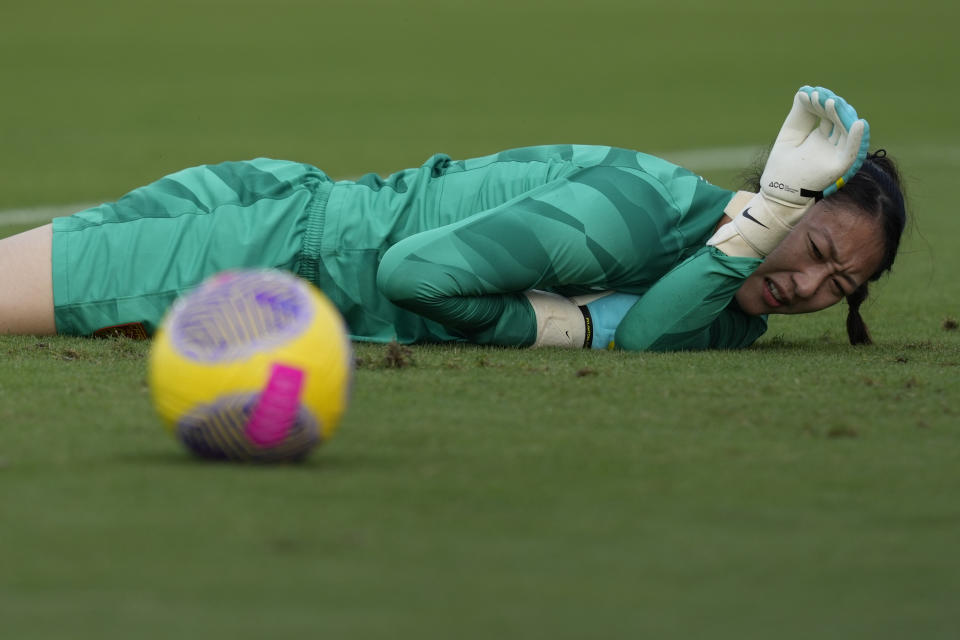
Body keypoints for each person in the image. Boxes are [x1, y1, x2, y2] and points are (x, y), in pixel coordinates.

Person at [0, 86, 906, 351]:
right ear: (779, 202)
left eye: (843, 286)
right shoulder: (633, 213)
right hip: (271, 249)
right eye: (818, 249)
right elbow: (412, 277)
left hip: (300, 216)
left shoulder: (725, 304)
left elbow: (656, 330)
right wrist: (552, 330)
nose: (809, 288)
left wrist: (762, 234)